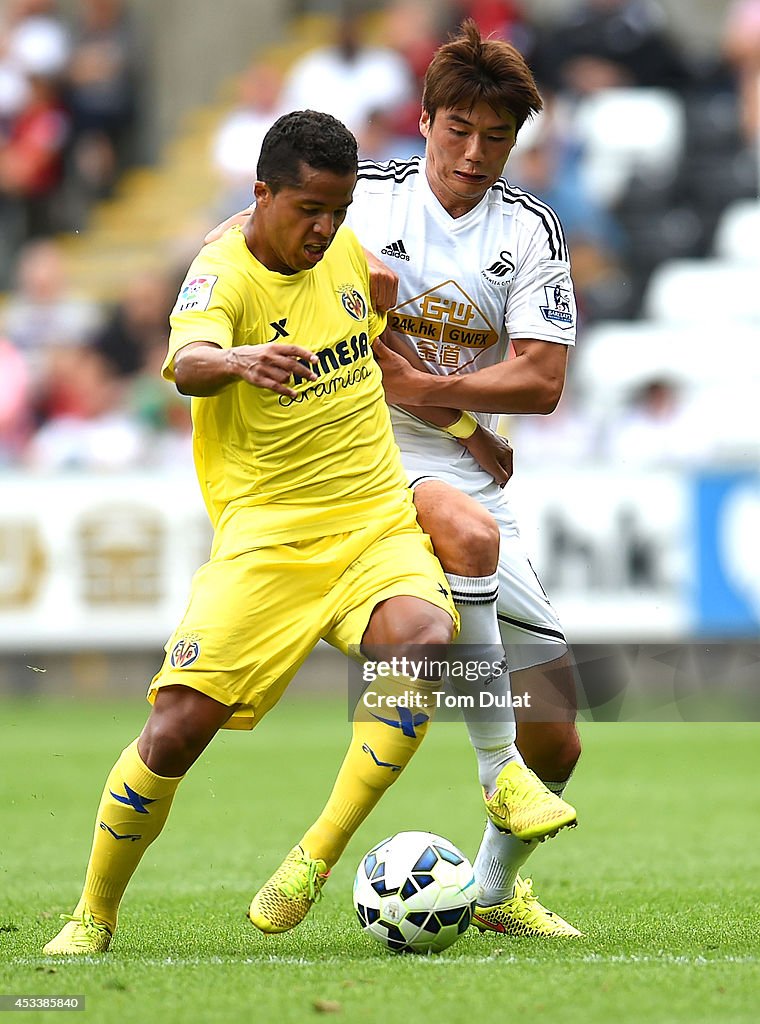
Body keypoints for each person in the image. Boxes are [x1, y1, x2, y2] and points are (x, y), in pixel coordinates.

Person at [42, 109, 465, 954]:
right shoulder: (220, 276)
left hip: (373, 522)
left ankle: (314, 858)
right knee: (173, 728)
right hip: (267, 542)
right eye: (308, 208)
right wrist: (241, 360)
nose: (324, 228)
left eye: (338, 211)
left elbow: (375, 324)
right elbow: (187, 362)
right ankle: (92, 915)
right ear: (261, 194)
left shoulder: (346, 254)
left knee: (423, 637)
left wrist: (467, 430)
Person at [209, 23, 584, 938]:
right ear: (423, 122)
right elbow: (263, 257)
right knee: (462, 540)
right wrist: (451, 411)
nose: (473, 152)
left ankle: (494, 895)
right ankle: (477, 780)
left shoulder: (528, 229)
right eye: (457, 129)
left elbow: (541, 379)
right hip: (360, 461)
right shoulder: (364, 201)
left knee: (561, 733)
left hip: (466, 469)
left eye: (496, 138)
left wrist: (436, 389)